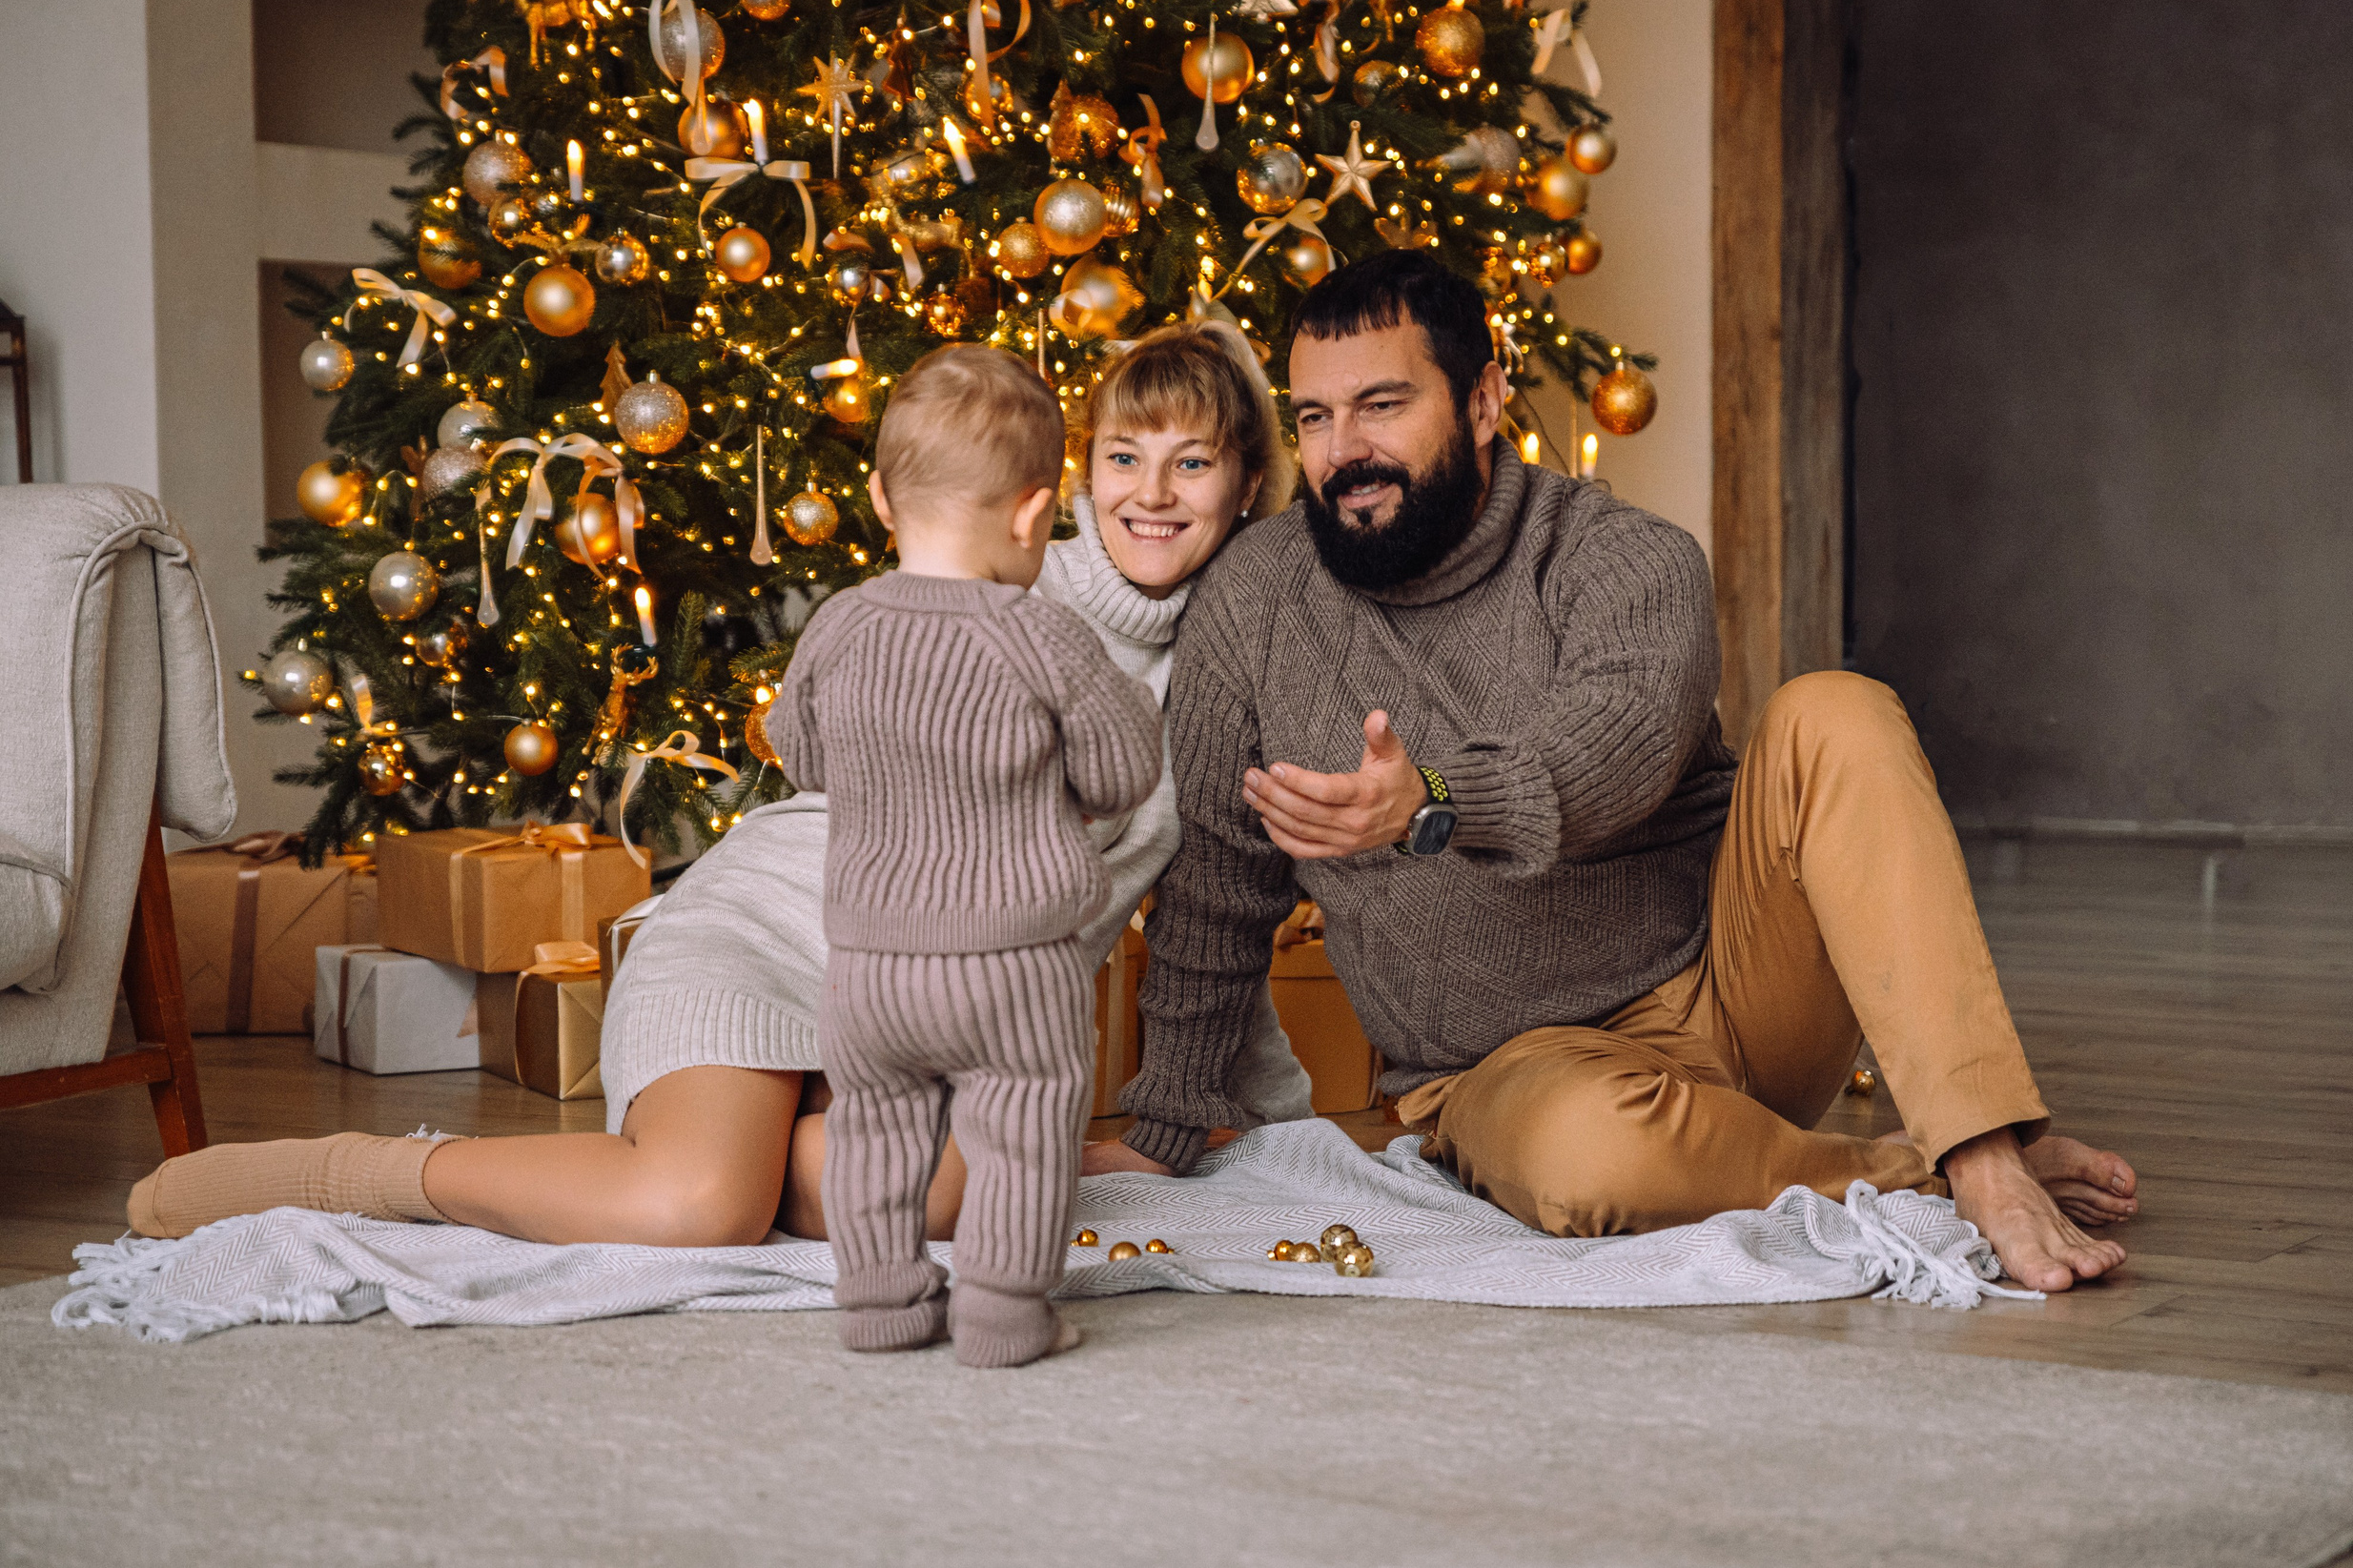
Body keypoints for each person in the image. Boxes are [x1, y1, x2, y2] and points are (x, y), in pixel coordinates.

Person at [1084, 249, 2141, 1294]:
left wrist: (1434, 799)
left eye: (1381, 405)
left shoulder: (1621, 556)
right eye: (1313, 416)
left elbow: (1614, 748)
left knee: (1837, 709)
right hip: (1502, 1070)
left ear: (1484, 399)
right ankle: (1922, 1172)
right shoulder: (1254, 599)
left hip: (1730, 987)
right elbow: (1217, 884)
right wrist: (1167, 1125)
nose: (1342, 449)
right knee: (1583, 1160)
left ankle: (1986, 1152)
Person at [123, 320, 1309, 1248]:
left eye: (1191, 461)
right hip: (774, 931)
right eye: (1123, 455)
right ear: (1070, 478)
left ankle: (784, 1139)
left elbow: (1217, 897)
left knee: (934, 1196)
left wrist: (1219, 1118)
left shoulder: (1234, 672)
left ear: (1247, 482)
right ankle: (348, 1174)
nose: (1151, 491)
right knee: (699, 1208)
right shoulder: (995, 579)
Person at [774, 345, 1164, 1367]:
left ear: (877, 497)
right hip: (1013, 959)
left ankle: (880, 1302)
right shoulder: (1042, 635)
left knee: (873, 1124)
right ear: (1035, 514)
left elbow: (801, 752)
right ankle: (1001, 1311)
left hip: (868, 961)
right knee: (1024, 1126)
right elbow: (1124, 774)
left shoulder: (838, 625)